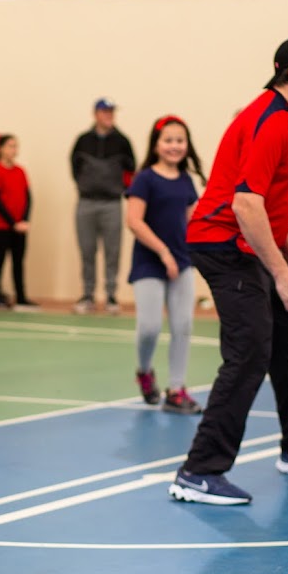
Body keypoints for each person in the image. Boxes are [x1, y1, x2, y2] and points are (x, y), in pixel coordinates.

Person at [169, 35, 288, 506]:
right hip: (223, 246)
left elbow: (257, 196)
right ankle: (199, 471)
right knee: (250, 350)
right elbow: (245, 203)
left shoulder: (284, 120)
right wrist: (283, 275)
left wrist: (287, 245)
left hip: (242, 242)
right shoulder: (272, 121)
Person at [125, 116, 205, 414]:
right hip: (150, 262)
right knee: (149, 327)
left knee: (182, 325)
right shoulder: (144, 178)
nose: (175, 146)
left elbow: (192, 221)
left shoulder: (186, 181)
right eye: (168, 140)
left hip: (182, 263)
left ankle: (176, 389)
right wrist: (163, 252)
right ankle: (144, 371)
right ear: (156, 144)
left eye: (180, 140)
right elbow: (133, 220)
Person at [71, 97, 136, 315]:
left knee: (112, 251)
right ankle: (87, 295)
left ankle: (110, 296)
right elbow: (75, 168)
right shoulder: (83, 140)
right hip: (86, 203)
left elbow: (130, 170)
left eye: (111, 111)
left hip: (112, 204)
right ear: (96, 113)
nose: (109, 115)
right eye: (105, 111)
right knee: (87, 250)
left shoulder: (122, 141)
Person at [0, 134, 35, 310]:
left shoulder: (20, 171)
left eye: (16, 146)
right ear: (1, 148)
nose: (14, 150)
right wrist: (12, 222)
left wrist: (24, 220)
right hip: (1, 227)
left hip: (19, 227)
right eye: (10, 146)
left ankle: (21, 297)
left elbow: (28, 197)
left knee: (18, 262)